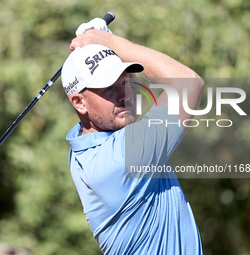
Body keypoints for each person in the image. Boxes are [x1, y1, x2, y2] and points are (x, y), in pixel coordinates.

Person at [61, 18, 205, 255]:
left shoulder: (82, 148)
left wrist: (106, 48)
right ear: (79, 102)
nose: (124, 95)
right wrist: (112, 42)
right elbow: (189, 84)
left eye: (125, 82)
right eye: (108, 87)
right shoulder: (120, 159)